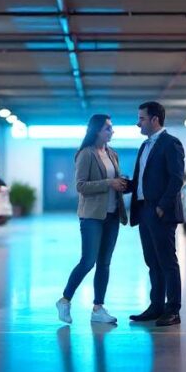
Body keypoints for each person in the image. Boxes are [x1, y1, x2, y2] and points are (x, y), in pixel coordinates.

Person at [56, 114, 128, 325]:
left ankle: (98, 308)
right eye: (108, 128)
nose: (111, 131)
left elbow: (114, 182)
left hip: (113, 215)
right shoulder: (85, 154)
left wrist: (122, 184)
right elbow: (81, 187)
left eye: (111, 128)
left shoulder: (112, 154)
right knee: (88, 261)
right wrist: (109, 183)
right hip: (92, 217)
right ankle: (65, 300)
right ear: (97, 130)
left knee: (104, 263)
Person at [126, 101, 186, 327]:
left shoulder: (171, 143)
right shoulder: (145, 146)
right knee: (152, 261)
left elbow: (176, 178)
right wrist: (128, 185)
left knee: (167, 261)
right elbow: (144, 179)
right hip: (144, 210)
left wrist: (162, 206)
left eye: (141, 118)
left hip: (160, 211)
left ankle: (173, 310)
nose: (137, 122)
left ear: (154, 119)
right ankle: (156, 306)